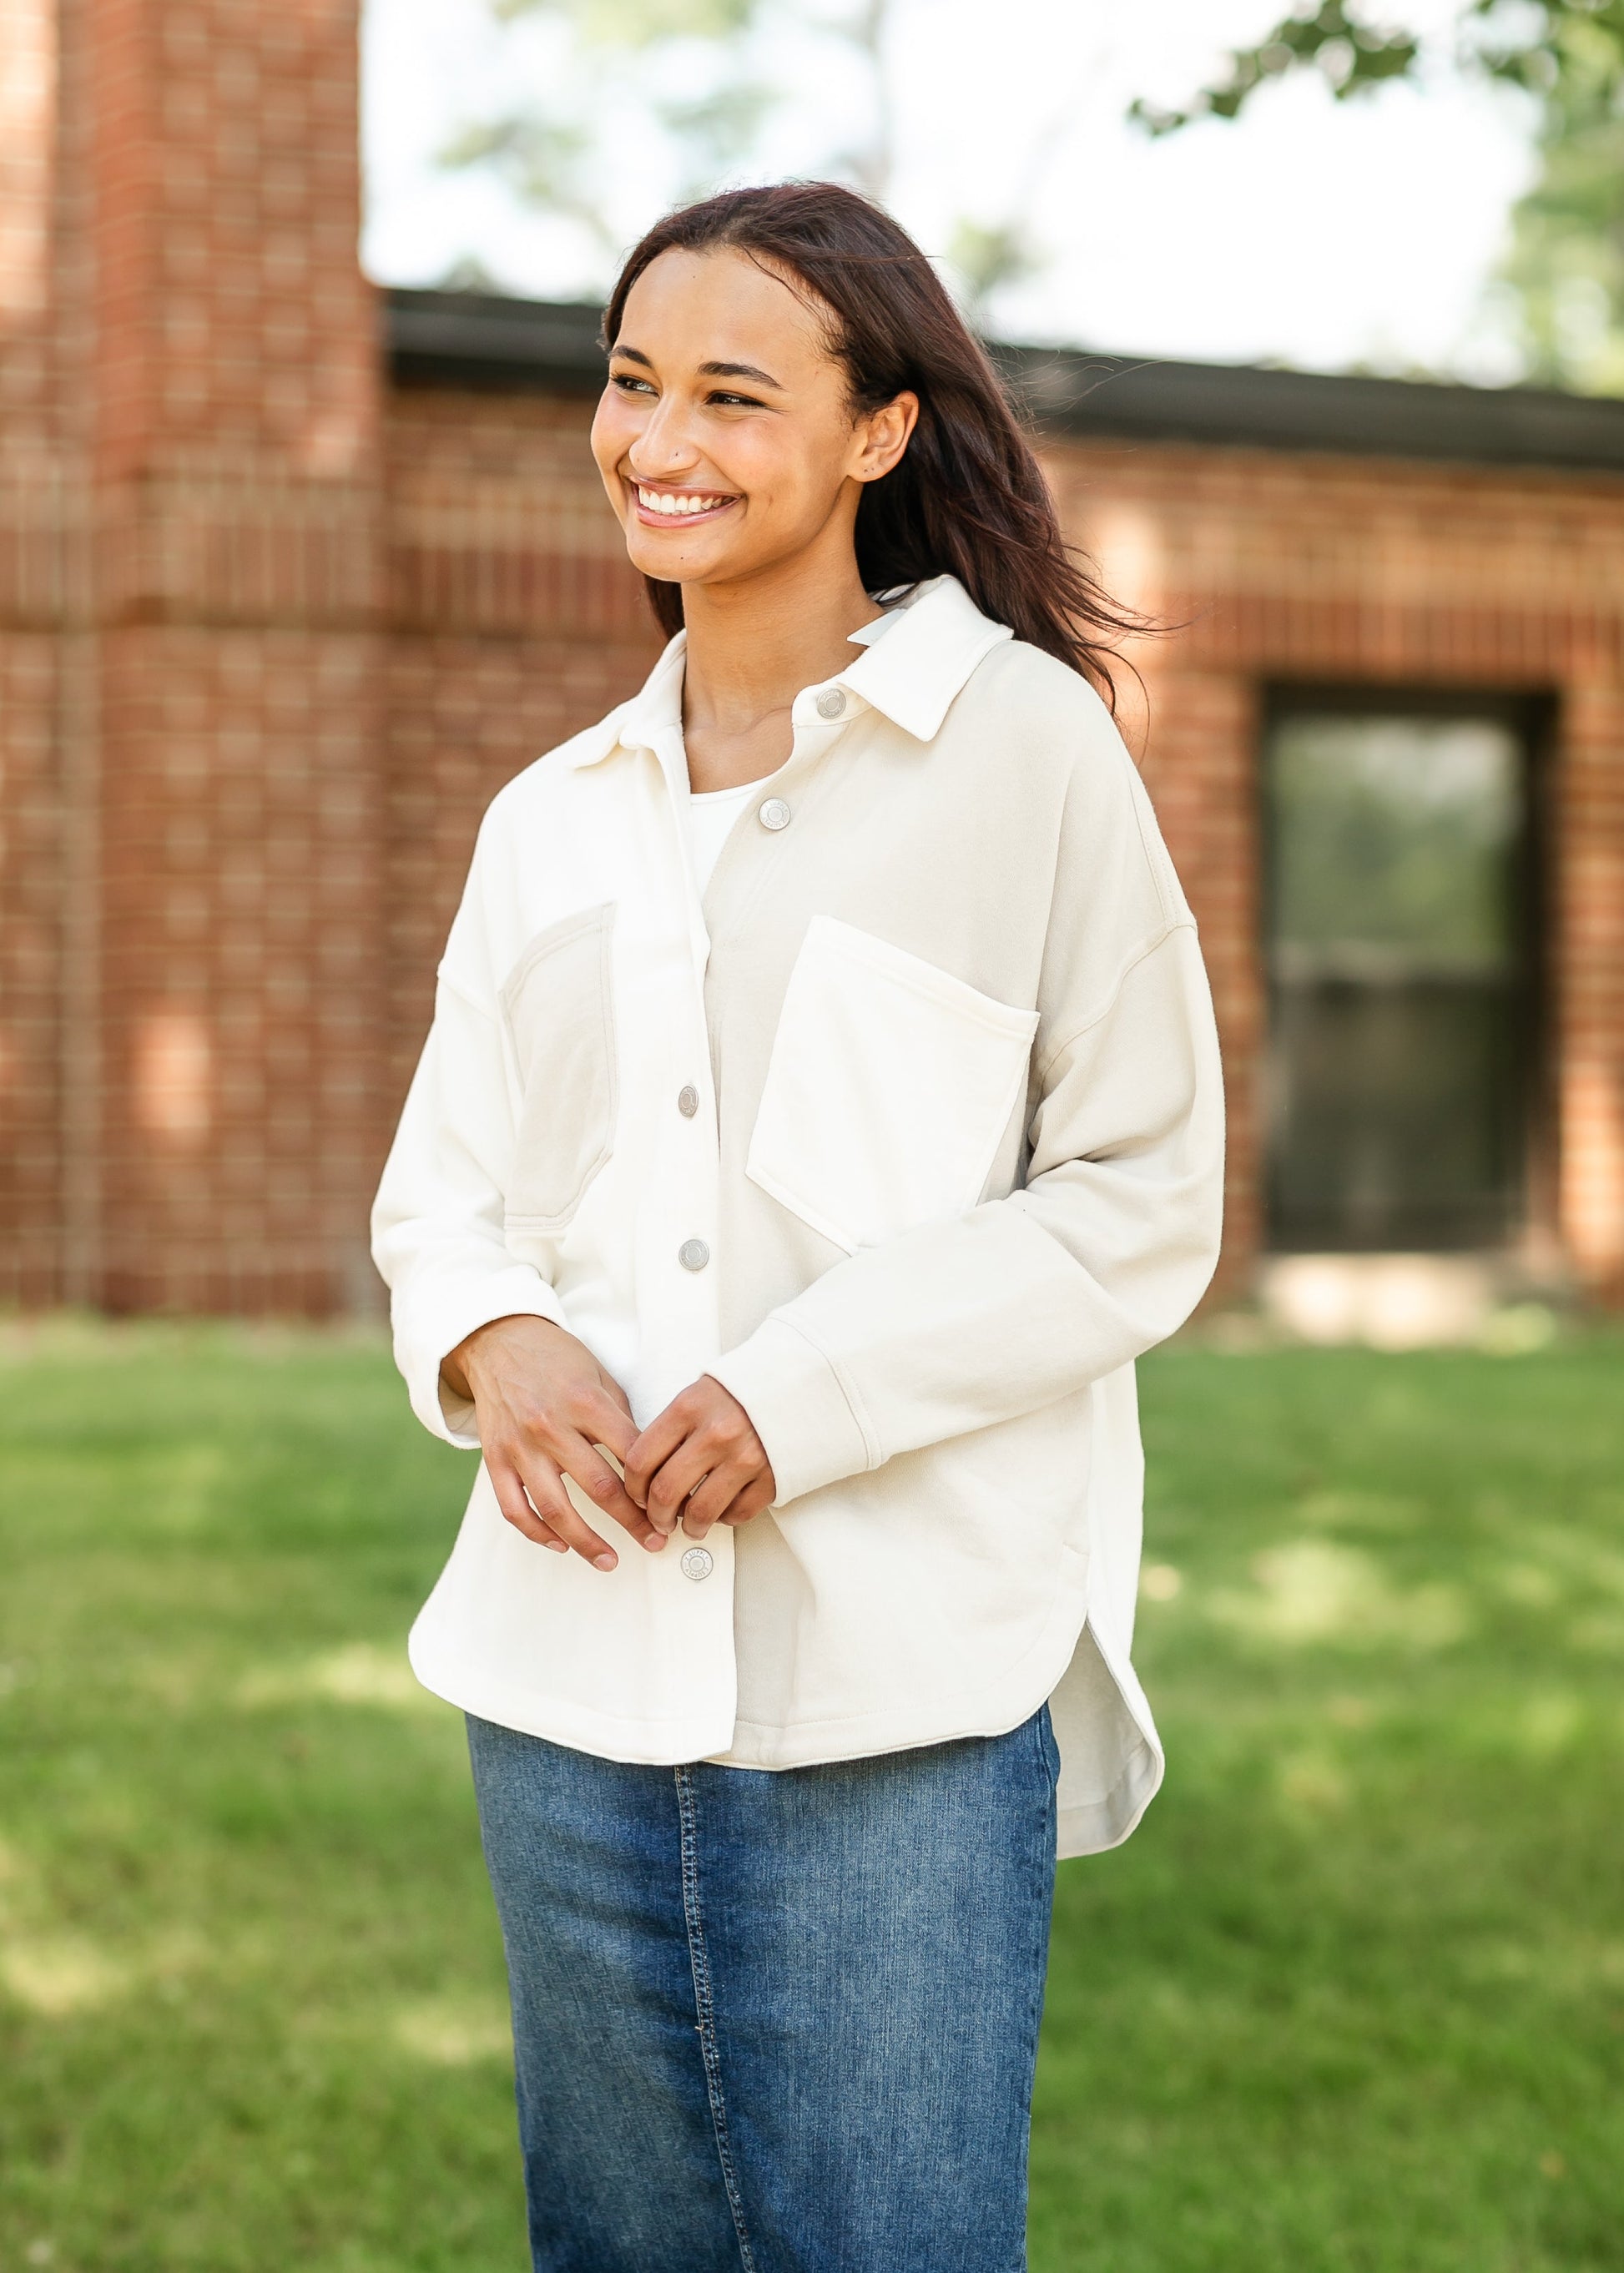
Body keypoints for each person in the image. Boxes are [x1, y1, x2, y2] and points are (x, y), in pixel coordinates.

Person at [371, 179, 1223, 2273]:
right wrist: (495, 1340)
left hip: (898, 1703)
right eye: (631, 380)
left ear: (877, 433)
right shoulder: (549, 813)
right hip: (562, 1694)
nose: (658, 438)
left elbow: (1141, 1192)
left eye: (732, 393)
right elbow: (443, 1190)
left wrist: (803, 1393)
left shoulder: (1022, 750)